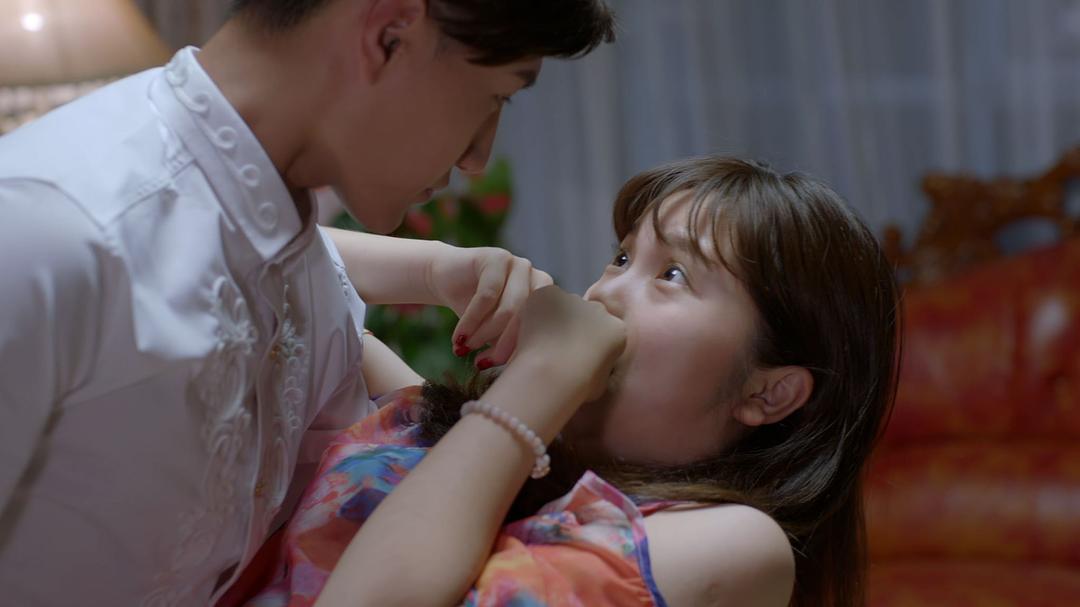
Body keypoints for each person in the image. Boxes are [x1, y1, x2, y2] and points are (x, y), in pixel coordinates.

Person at [0, 1, 615, 604]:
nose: (478, 157)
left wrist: (433, 269)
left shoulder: (297, 260)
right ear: (390, 34)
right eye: (495, 96)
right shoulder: (45, 233)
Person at [222, 157, 901, 607]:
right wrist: (437, 268)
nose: (604, 292)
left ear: (767, 392)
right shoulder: (451, 445)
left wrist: (544, 374)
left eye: (672, 275)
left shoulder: (738, 545)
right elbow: (266, 261)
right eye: (622, 257)